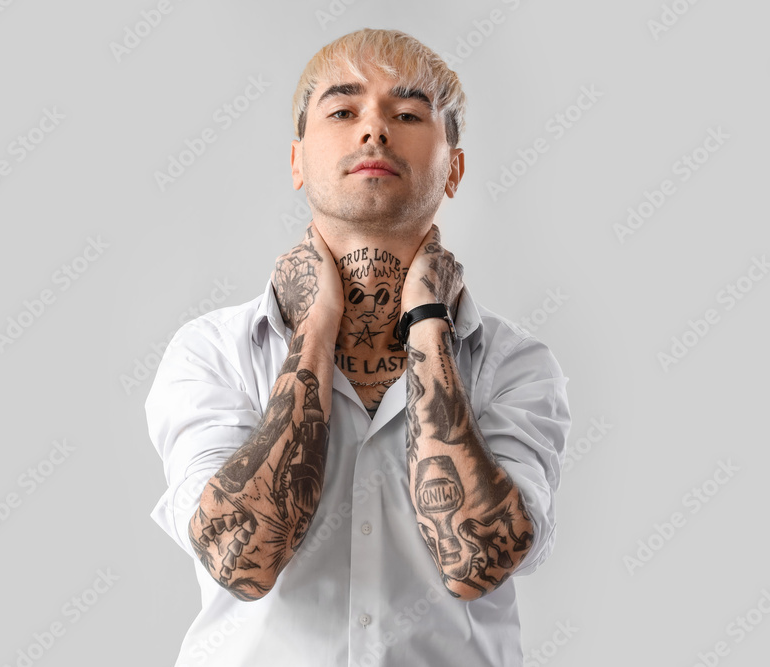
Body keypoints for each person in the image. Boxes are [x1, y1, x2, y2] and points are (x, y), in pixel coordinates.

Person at [146, 27, 571, 667]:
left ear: (454, 167)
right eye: (343, 111)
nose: (373, 131)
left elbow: (477, 560)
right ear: (297, 162)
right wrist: (316, 325)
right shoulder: (212, 352)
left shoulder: (515, 365)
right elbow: (240, 557)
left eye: (406, 114)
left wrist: (428, 320)